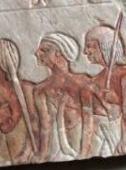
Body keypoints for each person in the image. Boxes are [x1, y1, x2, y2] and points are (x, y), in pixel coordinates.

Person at [79, 24, 126, 157]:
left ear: (105, 46)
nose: (85, 51)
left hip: (123, 139)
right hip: (99, 141)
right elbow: (88, 121)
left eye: (90, 46)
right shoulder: (94, 81)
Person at [33, 32, 89, 161]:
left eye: (44, 50)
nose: (36, 53)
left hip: (78, 144)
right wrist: (42, 155)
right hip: (55, 151)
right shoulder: (40, 90)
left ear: (58, 52)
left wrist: (84, 153)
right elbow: (45, 125)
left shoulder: (82, 83)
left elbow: (88, 120)